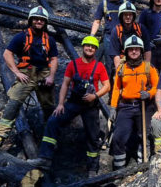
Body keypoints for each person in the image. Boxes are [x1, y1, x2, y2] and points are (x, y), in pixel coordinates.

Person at [30, 36, 110, 176]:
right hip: (74, 102)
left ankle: (92, 169)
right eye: (87, 46)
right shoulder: (73, 64)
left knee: (93, 135)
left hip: (90, 105)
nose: (90, 48)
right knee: (53, 121)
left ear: (96, 50)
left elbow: (107, 86)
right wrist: (60, 104)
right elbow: (65, 85)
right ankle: (45, 158)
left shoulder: (99, 66)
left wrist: (95, 96)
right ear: (83, 47)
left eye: (92, 47)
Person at [0, 6, 59, 150]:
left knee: (49, 106)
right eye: (36, 19)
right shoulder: (21, 37)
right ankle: (0, 135)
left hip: (44, 73)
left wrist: (51, 76)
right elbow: (7, 54)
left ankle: (50, 137)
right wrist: (17, 72)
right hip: (26, 73)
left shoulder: (50, 40)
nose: (39, 21)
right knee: (13, 103)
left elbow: (53, 59)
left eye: (41, 20)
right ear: (31, 20)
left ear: (45, 22)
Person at [108, 35, 158, 170]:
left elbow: (157, 87)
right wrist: (113, 107)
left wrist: (149, 94)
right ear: (126, 51)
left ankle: (143, 166)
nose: (134, 52)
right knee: (119, 136)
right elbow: (116, 88)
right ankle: (118, 170)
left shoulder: (149, 68)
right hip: (125, 106)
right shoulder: (122, 68)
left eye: (137, 49)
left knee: (144, 135)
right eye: (131, 49)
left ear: (141, 51)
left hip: (144, 106)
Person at [90, 0, 127, 79]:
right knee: (109, 65)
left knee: (125, 63)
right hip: (108, 38)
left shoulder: (126, 3)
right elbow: (97, 21)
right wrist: (92, 36)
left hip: (123, 38)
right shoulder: (104, 4)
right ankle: (110, 90)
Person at [109, 1, 152, 70]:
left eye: (130, 15)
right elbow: (115, 53)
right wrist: (118, 70)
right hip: (123, 61)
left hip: (139, 60)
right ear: (121, 16)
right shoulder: (116, 31)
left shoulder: (141, 29)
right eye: (125, 15)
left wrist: (147, 67)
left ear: (133, 16)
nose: (128, 17)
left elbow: (147, 49)